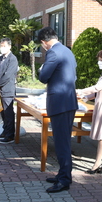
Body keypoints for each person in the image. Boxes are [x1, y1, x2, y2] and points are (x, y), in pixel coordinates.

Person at [38, 27, 78, 193]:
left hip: (59, 103)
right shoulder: (67, 51)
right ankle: (63, 173)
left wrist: (42, 70)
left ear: (44, 42)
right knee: (64, 141)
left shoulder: (53, 53)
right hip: (68, 101)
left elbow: (43, 77)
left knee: (61, 143)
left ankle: (64, 180)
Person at [76, 49, 102, 174]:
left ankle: (97, 163)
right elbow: (98, 91)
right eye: (99, 60)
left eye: (101, 60)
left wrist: (81, 91)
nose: (99, 62)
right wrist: (85, 97)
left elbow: (97, 87)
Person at [0, 38, 19, 144]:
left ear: (9, 46)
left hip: (8, 90)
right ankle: (5, 132)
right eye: (1, 45)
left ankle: (10, 135)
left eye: (4, 46)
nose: (2, 48)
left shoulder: (12, 59)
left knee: (8, 113)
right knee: (3, 112)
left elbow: (8, 75)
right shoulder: (1, 58)